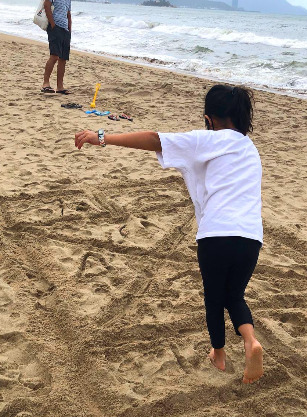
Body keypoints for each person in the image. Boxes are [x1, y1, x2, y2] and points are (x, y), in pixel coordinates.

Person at [75, 85, 264, 384]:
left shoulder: (208, 139)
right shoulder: (250, 149)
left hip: (216, 233)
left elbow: (155, 139)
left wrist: (101, 137)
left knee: (214, 298)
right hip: (251, 237)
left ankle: (219, 355)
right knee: (234, 295)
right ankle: (250, 341)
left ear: (209, 119)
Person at [41, 0, 72, 94]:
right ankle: (45, 84)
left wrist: (69, 30)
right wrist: (53, 24)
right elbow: (46, 5)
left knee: (63, 59)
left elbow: (68, 14)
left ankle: (60, 87)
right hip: (55, 27)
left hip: (65, 29)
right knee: (54, 56)